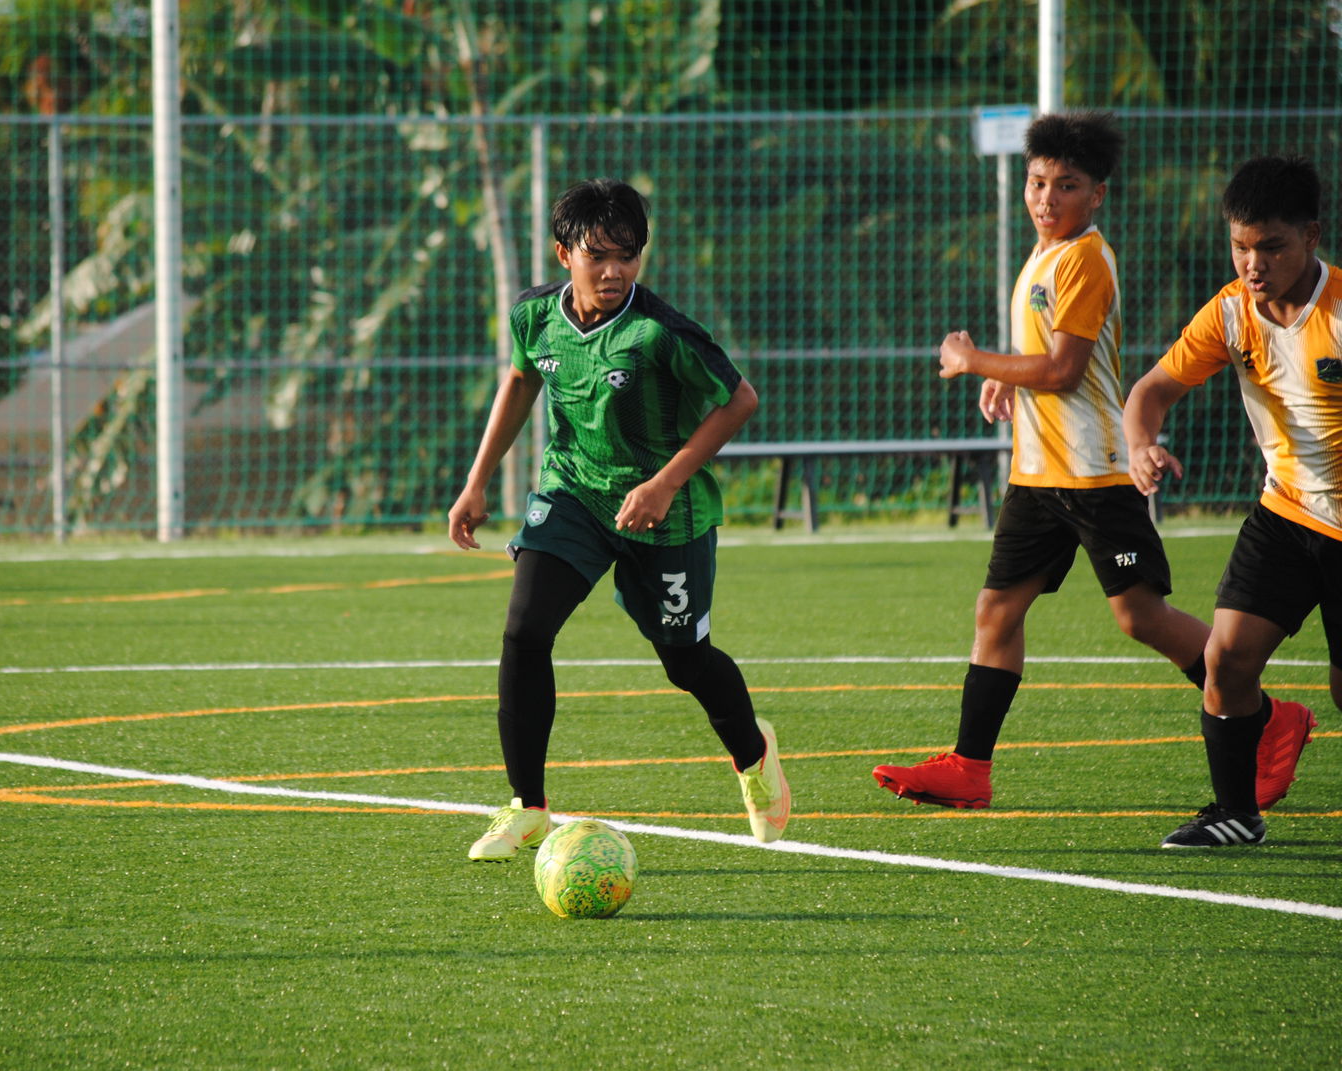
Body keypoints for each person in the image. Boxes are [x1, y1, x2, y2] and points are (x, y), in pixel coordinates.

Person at [868, 112, 1313, 811]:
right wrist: (1005, 373)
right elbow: (1043, 355)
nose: (1046, 198)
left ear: (1097, 194)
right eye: (1037, 182)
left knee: (1140, 616)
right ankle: (970, 765)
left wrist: (972, 359)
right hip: (1040, 474)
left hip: (1096, 471)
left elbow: (1065, 369)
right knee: (997, 609)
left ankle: (1268, 716)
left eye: (1066, 185)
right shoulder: (1044, 253)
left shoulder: (1084, 258)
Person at [447, 178, 789, 860]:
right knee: (524, 628)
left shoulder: (659, 331)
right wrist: (476, 480)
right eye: (597, 254)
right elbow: (520, 379)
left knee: (685, 659)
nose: (613, 270)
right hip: (574, 493)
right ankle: (527, 806)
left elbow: (740, 399)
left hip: (665, 515)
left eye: (627, 255)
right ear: (562, 253)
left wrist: (664, 484)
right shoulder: (534, 316)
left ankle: (754, 754)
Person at [1124, 154, 1335, 847]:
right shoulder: (1230, 313)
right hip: (1285, 514)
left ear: (1311, 234)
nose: (1253, 261)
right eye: (1241, 245)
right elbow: (1150, 392)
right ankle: (1236, 811)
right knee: (1227, 659)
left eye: (1270, 245)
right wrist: (1140, 445)